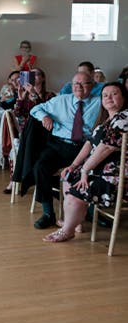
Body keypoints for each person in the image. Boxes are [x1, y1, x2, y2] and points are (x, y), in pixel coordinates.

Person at [43, 82, 128, 242]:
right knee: (69, 175)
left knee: (76, 192)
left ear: (124, 98)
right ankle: (75, 222)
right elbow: (89, 143)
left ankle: (67, 230)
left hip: (116, 177)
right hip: (99, 171)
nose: (109, 97)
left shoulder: (124, 118)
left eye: (114, 94)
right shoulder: (106, 121)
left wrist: (84, 171)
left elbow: (106, 148)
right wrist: (74, 165)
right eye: (105, 95)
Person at [29, 71, 102, 228]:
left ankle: (91, 212)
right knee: (40, 167)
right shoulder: (61, 100)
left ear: (93, 86)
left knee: (96, 170)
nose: (79, 87)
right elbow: (35, 110)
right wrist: (45, 117)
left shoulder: (99, 102)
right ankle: (48, 213)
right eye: (76, 84)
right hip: (59, 145)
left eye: (84, 83)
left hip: (84, 147)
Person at [2, 69, 54, 194]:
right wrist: (20, 98)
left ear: (43, 78)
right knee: (21, 144)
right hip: (26, 135)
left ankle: (18, 179)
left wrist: (34, 95)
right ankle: (20, 179)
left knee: (23, 146)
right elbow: (18, 114)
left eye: (36, 75)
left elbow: (47, 113)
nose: (33, 77)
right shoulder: (25, 95)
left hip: (45, 135)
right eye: (30, 75)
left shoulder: (50, 96)